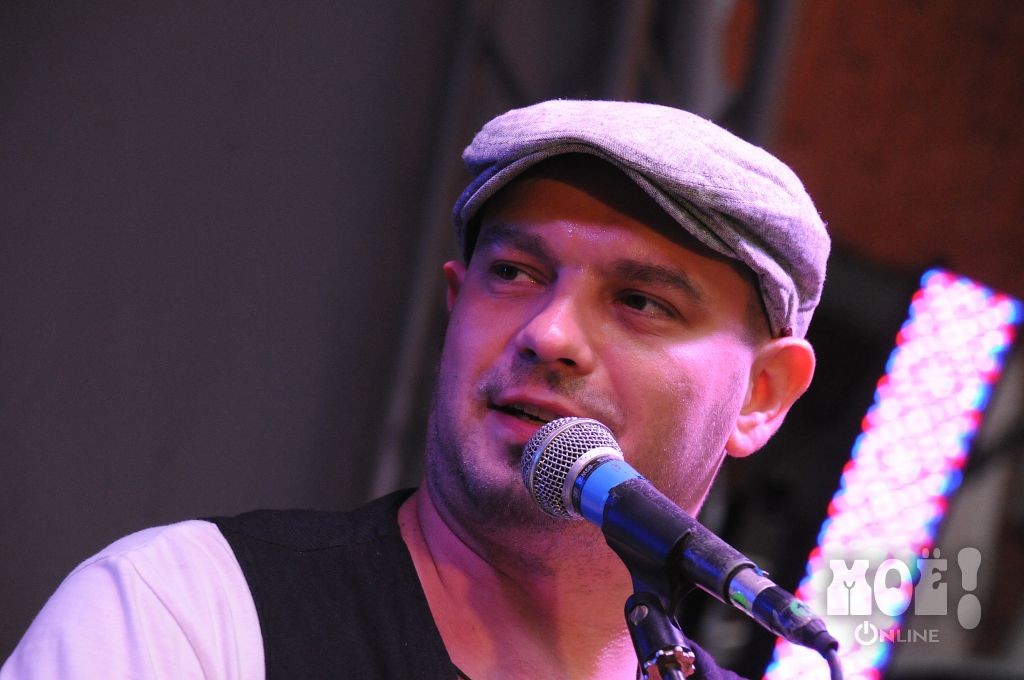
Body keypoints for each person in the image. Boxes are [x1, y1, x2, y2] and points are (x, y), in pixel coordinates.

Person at [1, 99, 829, 679]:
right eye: (514, 273)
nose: (548, 333)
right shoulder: (189, 611)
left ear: (762, 394)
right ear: (454, 304)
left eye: (640, 302)